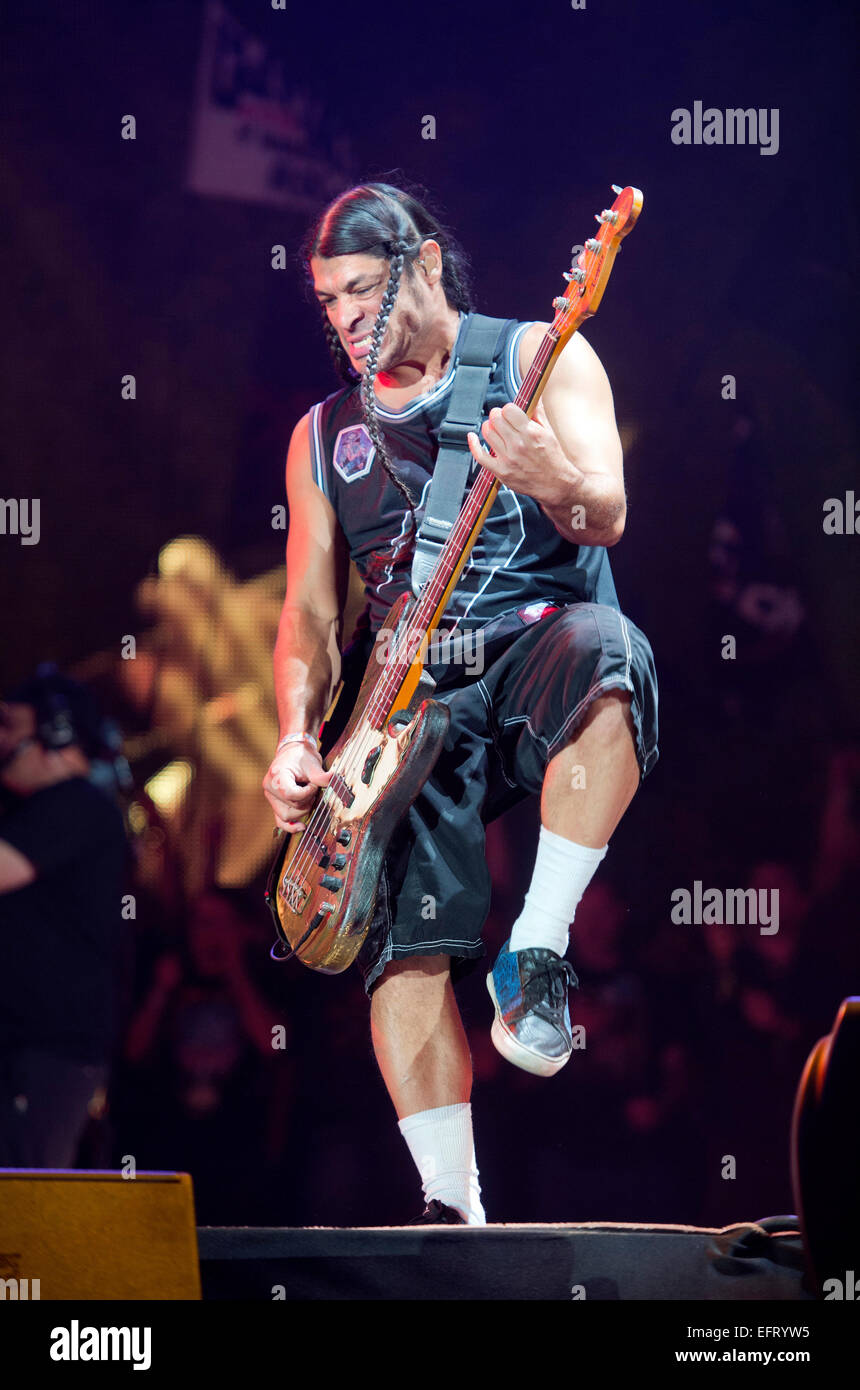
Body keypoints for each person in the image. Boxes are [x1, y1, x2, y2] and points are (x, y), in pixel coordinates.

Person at [262, 182, 658, 1224]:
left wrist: (548, 475)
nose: (344, 318)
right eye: (327, 302)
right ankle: (452, 1212)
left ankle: (537, 944)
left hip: (532, 647)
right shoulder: (319, 440)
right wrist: (297, 735)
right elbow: (306, 617)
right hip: (403, 703)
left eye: (360, 290)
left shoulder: (538, 357)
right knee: (401, 934)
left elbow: (605, 512)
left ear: (426, 264)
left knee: (612, 654)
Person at [0, 667, 130, 1166]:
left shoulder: (77, 806)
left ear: (54, 733)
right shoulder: (45, 808)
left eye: (11, 725)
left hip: (46, 1052)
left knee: (25, 1204)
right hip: (29, 1047)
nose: (3, 739)